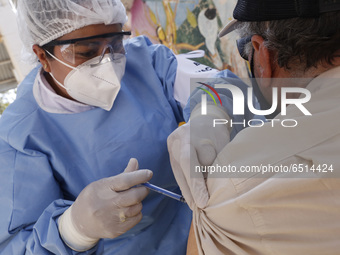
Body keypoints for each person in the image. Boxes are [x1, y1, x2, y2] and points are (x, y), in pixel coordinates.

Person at [0, 0, 226, 254]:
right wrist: (74, 229)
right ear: (42, 55)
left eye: (116, 43)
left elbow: (221, 88)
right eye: (86, 51)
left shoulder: (146, 61)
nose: (107, 62)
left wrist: (213, 115)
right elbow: (16, 246)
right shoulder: (20, 134)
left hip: (204, 233)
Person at [167, 0, 340, 254]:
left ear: (263, 54)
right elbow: (229, 86)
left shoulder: (236, 184)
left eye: (245, 51)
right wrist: (211, 106)